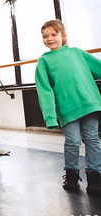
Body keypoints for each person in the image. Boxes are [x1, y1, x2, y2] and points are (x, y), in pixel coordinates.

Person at [35, 20, 101, 196]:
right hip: (67, 109)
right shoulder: (44, 61)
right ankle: (72, 174)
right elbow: (44, 90)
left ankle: (95, 176)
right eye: (45, 36)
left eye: (53, 35)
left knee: (92, 139)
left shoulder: (77, 53)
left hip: (89, 103)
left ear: (63, 36)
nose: (50, 39)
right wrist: (50, 116)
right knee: (72, 142)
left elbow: (99, 68)